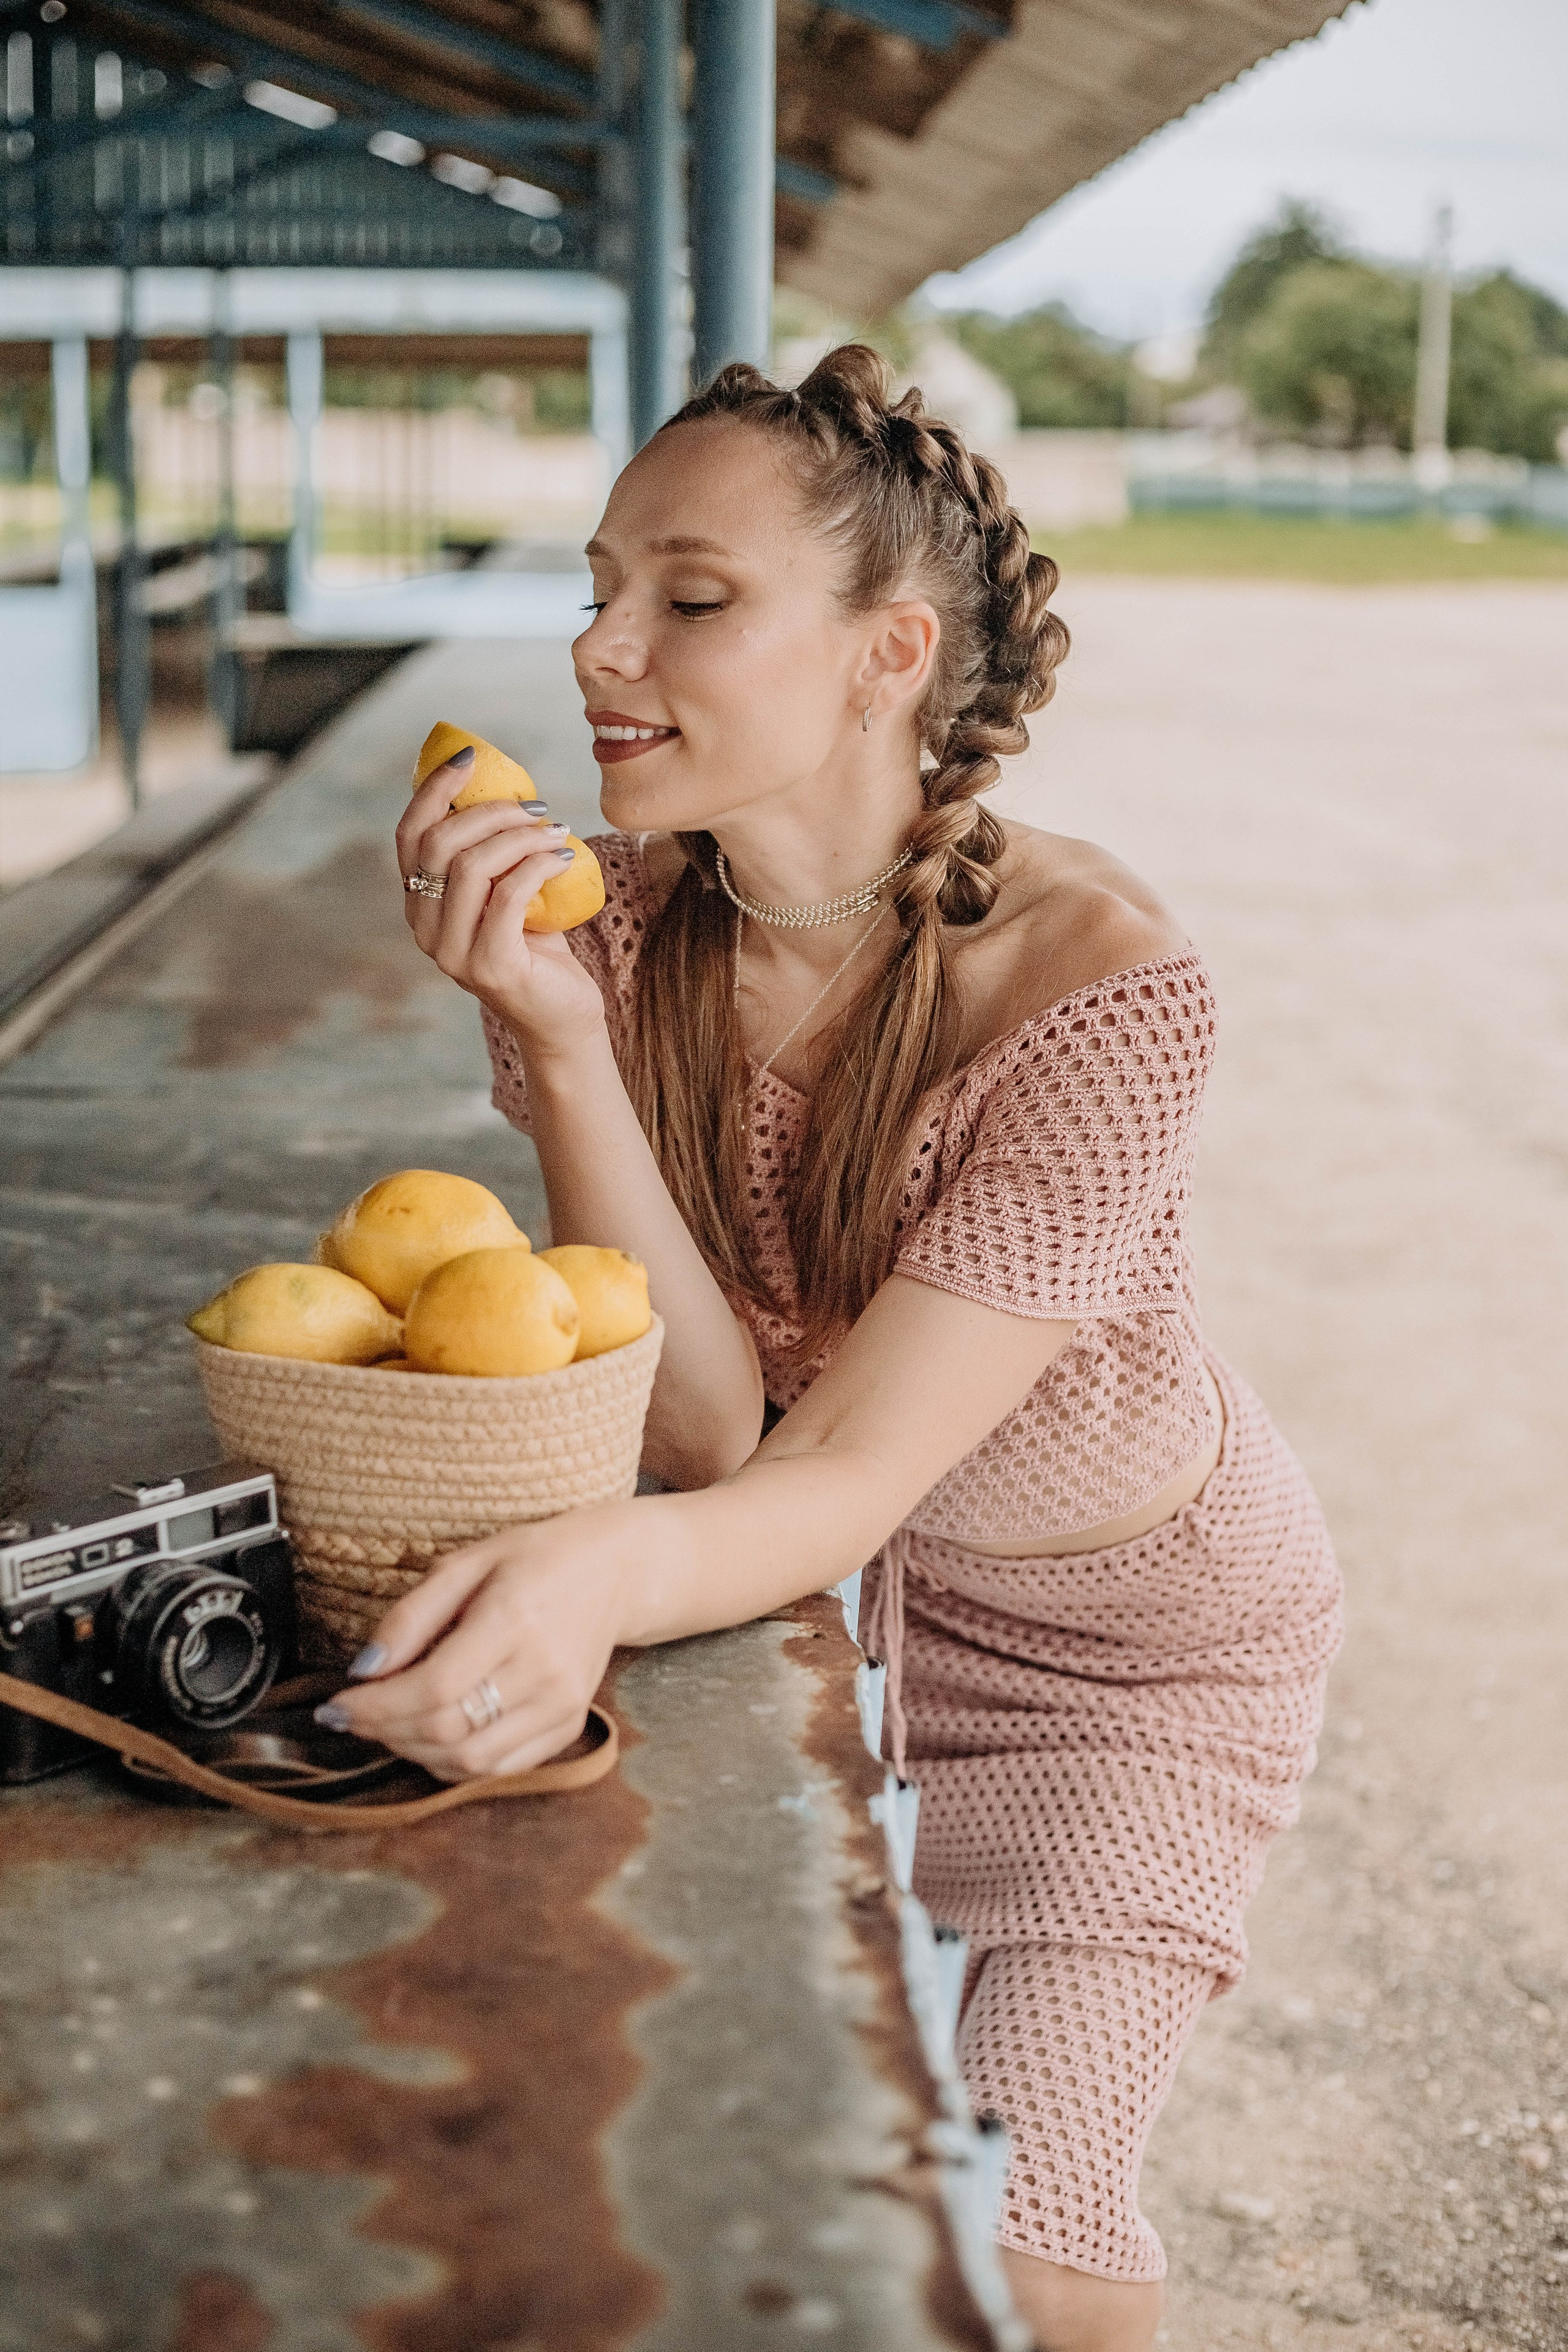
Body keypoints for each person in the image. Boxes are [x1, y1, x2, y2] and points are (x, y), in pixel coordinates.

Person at [326, 347, 1343, 2352]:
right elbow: (710, 1435)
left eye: (688, 599)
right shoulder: (593, 934)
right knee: (728, 2172)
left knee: (1030, 2245)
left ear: (889, 651)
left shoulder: (1105, 990)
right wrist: (554, 1040)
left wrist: (585, 1571)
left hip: (1112, 1677)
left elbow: (844, 1467)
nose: (603, 646)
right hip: (805, 1608)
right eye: (601, 585)